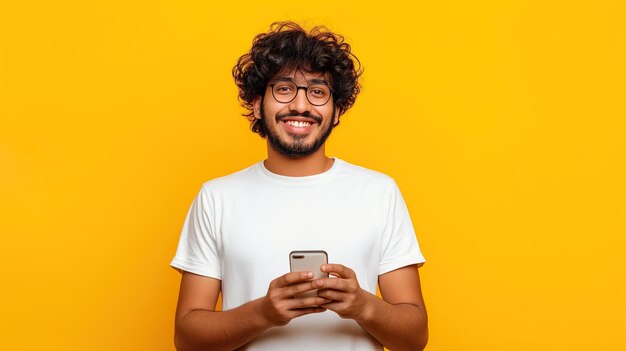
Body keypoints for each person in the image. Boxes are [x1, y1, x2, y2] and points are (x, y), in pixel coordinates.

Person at [170, 21, 428, 351]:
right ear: (256, 104)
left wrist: (364, 305)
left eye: (318, 92)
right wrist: (263, 313)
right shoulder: (217, 198)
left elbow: (415, 338)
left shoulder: (379, 193)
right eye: (284, 88)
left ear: (336, 112)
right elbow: (187, 339)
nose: (301, 106)